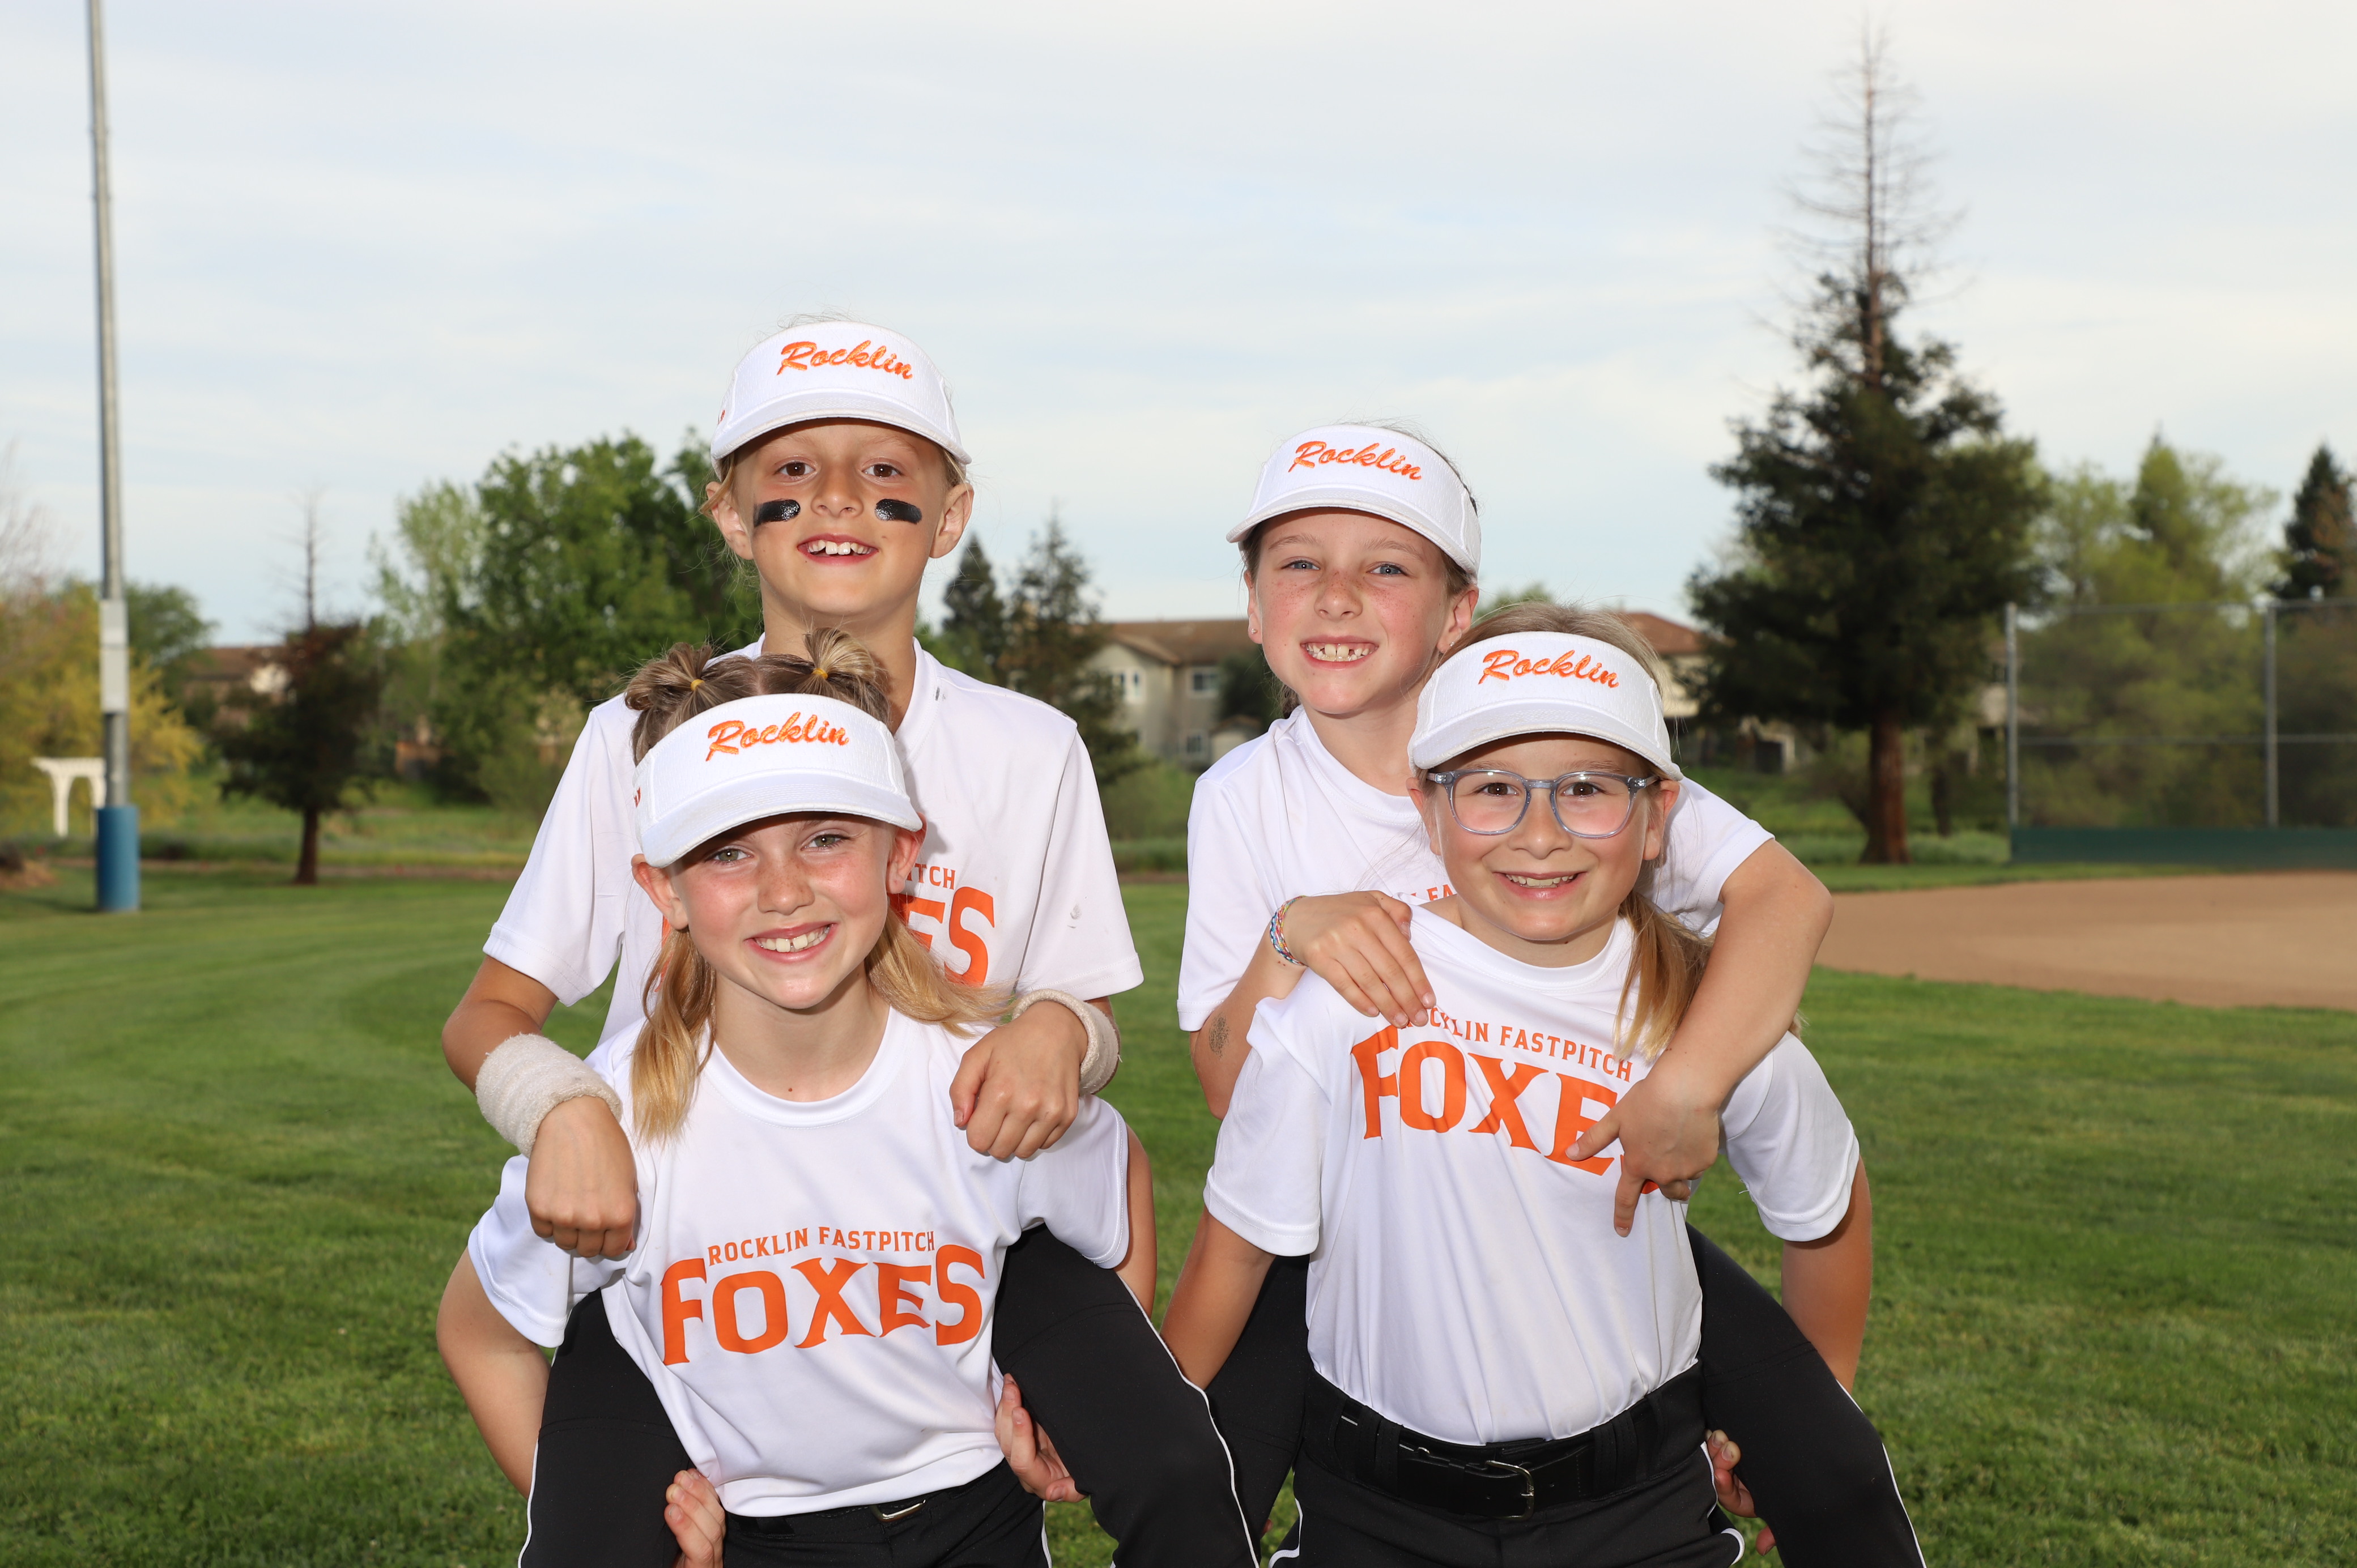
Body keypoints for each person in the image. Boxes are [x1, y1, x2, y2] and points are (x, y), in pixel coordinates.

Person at [443, 322, 1252, 1565]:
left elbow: (1079, 1039)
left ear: (950, 513)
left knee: (1165, 1462)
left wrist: (1057, 1026)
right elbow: (488, 1016)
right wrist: (567, 1110)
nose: (837, 499)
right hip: (680, 1195)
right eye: (793, 471)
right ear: (730, 513)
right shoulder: (642, 735)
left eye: (884, 473)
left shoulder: (1029, 746)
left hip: (955, 1193)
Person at [1169, 427, 1920, 1559]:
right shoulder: (1245, 793)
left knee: (1829, 1464)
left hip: (1577, 1183)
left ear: (1456, 611)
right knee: (1198, 1468)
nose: (1336, 596)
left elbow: (1785, 900)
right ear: (1252, 600)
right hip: (1359, 1204)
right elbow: (1237, 1088)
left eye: (1386, 565)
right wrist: (1295, 934)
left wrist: (1690, 1084)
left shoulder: (1563, 729)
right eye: (1299, 562)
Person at [439, 635, 1173, 1566]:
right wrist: (611, 1525)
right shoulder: (623, 1125)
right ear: (662, 889)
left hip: (974, 1519)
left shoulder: (969, 1081)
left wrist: (1067, 1404)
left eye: (825, 839)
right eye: (728, 853)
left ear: (902, 854)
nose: (784, 892)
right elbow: (480, 1334)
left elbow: (1114, 1183)